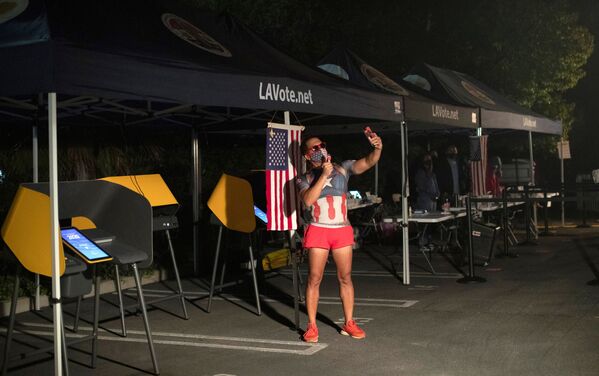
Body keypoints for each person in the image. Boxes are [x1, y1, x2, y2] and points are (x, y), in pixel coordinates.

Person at [296, 130, 382, 343]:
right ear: (307, 156)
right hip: (318, 229)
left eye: (322, 144)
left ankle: (349, 322)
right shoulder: (303, 178)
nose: (320, 150)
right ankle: (312, 326)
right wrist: (323, 175)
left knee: (345, 277)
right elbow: (307, 200)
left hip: (341, 229)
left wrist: (377, 148)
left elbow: (368, 162)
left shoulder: (342, 169)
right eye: (314, 148)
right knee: (314, 278)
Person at [414, 153, 440, 250]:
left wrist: (437, 194)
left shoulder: (433, 173)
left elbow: (436, 185)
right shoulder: (420, 173)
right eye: (427, 160)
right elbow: (422, 187)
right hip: (424, 201)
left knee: (431, 224)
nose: (429, 162)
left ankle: (429, 241)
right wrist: (431, 194)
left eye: (430, 160)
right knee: (425, 222)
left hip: (433, 201)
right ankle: (422, 242)